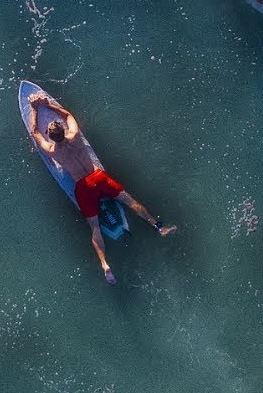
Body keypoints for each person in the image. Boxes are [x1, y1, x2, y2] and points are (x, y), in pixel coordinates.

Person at [27, 92, 177, 284]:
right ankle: (158, 227)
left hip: (82, 186)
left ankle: (105, 266)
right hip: (99, 177)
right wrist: (49, 105)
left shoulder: (52, 150)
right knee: (129, 200)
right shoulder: (74, 136)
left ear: (50, 136)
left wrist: (35, 108)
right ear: (63, 131)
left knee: (95, 225)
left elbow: (34, 131)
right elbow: (67, 115)